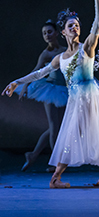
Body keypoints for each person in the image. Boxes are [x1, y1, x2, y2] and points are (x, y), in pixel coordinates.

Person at [3, 0, 99, 188]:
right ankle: (63, 178)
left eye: (77, 24)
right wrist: (17, 82)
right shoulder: (59, 58)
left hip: (91, 96)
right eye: (71, 25)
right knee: (73, 133)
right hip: (76, 98)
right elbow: (39, 73)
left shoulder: (87, 47)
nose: (75, 27)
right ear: (63, 32)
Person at [17, 20, 67, 172]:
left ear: (57, 33)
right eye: (44, 33)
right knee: (54, 127)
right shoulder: (46, 54)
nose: (47, 35)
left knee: (56, 127)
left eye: (50, 32)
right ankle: (55, 163)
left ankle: (33, 155)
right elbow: (36, 71)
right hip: (50, 90)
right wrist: (25, 85)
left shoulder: (66, 50)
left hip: (64, 90)